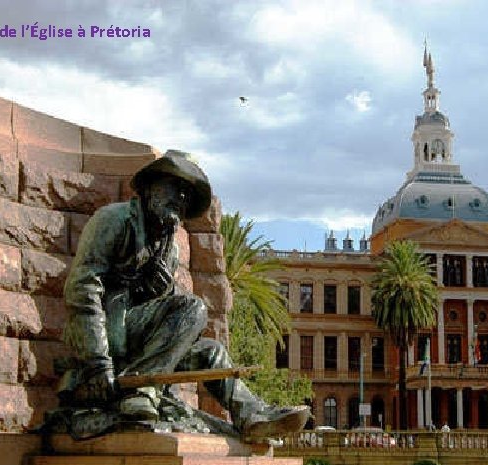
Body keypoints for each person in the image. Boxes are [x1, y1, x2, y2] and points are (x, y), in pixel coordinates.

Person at [58, 150, 309, 439]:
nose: (181, 197)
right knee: (194, 308)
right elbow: (82, 288)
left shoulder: (169, 249)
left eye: (187, 194)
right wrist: (98, 361)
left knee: (211, 352)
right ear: (151, 186)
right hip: (107, 336)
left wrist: (157, 291)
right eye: (175, 187)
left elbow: (165, 317)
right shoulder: (114, 220)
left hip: (139, 344)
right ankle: (141, 390)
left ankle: (251, 415)